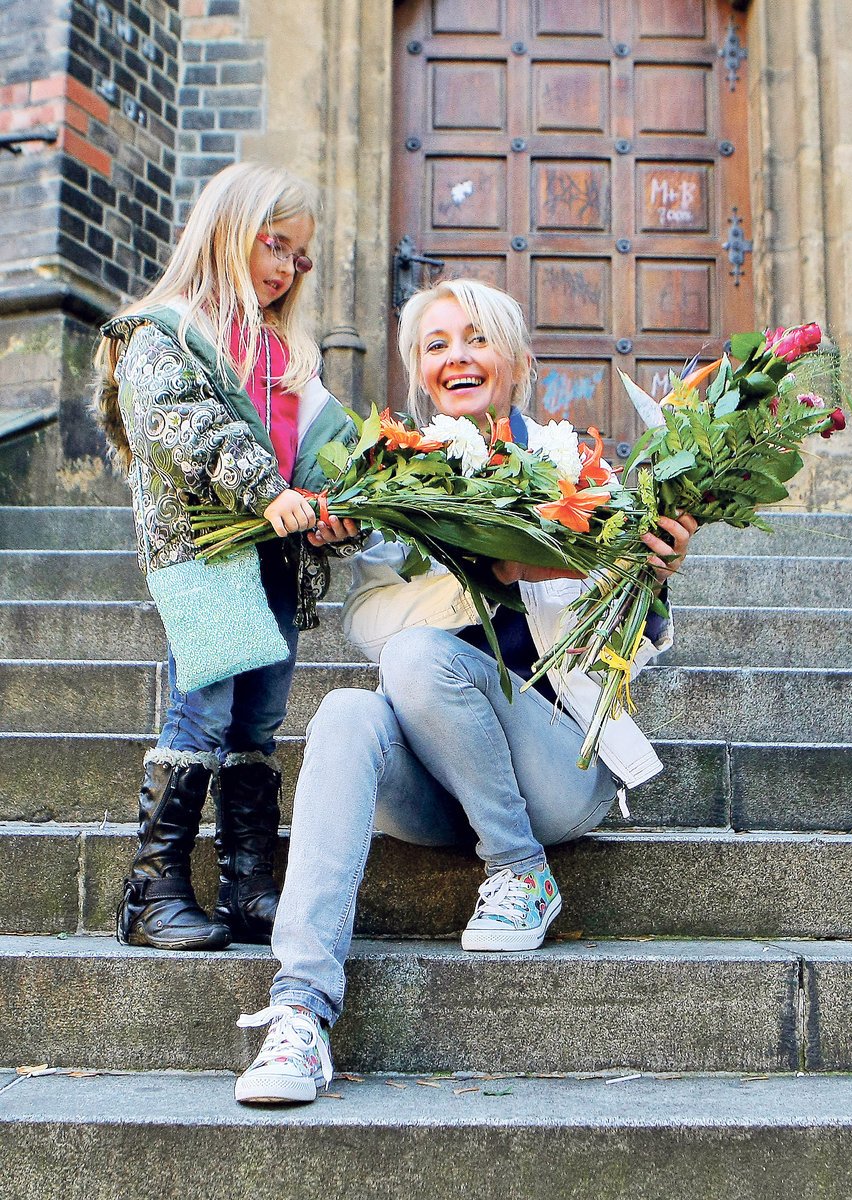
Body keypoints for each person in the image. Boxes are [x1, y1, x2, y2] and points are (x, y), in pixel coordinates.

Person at [234, 278, 696, 1104]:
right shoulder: (394, 482)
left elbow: (643, 639)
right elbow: (369, 623)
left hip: (555, 770)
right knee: (349, 706)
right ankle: (298, 1013)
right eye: (437, 343)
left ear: (517, 363)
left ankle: (522, 872)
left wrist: (647, 571)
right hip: (435, 782)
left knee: (418, 659)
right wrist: (458, 563)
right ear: (417, 368)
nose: (458, 357)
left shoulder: (572, 467)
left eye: (476, 339)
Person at [94, 162, 358, 953]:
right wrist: (259, 489)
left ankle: (249, 884)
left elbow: (312, 446)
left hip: (274, 554)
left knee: (258, 717)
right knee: (201, 706)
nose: (284, 268)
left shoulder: (286, 354)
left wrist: (331, 508)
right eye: (273, 245)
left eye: (299, 258)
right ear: (224, 229)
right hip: (204, 551)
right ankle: (151, 890)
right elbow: (187, 427)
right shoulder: (166, 331)